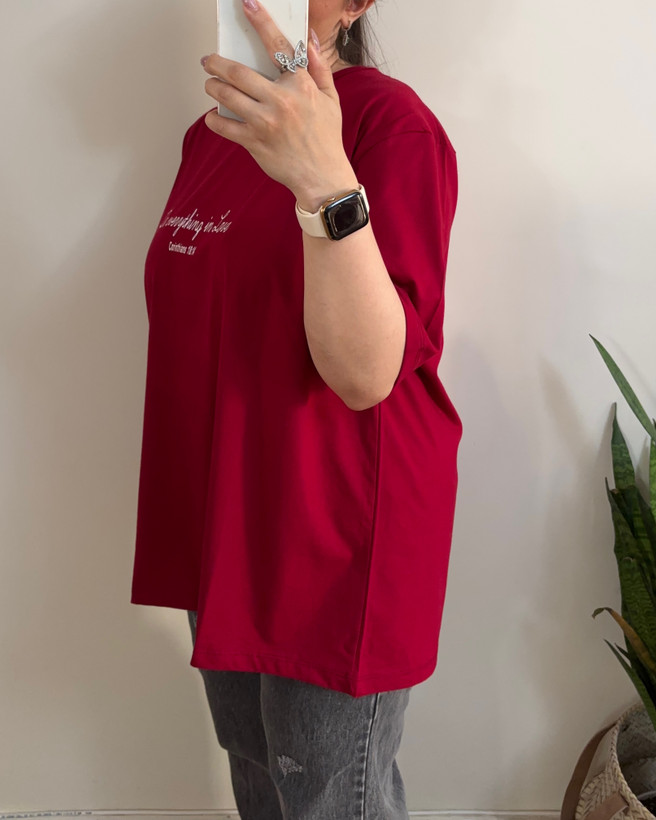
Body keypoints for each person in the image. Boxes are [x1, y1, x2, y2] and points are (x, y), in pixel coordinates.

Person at [130, 0, 463, 817]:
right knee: (258, 779)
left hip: (334, 528)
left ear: (356, 4)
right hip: (229, 523)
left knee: (326, 797)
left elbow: (366, 374)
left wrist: (322, 178)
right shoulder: (212, 136)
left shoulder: (388, 125)